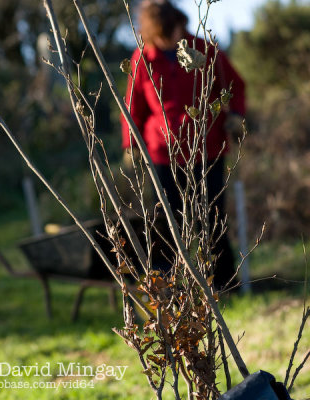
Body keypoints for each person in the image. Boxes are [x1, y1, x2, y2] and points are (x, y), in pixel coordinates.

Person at [121, 0, 246, 291]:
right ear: (155, 31)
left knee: (213, 216)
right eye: (170, 32)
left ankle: (225, 283)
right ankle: (171, 285)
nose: (178, 35)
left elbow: (235, 86)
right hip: (163, 153)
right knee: (167, 220)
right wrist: (131, 144)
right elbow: (133, 107)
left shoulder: (205, 49)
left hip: (208, 149)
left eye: (180, 28)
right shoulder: (143, 58)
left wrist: (235, 114)